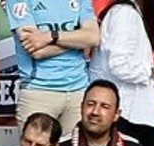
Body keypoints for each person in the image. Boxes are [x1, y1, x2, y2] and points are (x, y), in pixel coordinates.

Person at [90, 0, 154, 146]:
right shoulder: (125, 14)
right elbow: (119, 64)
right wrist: (151, 70)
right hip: (128, 114)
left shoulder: (132, 12)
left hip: (132, 112)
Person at [6, 0, 98, 132]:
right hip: (38, 91)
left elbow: (93, 37)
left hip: (78, 92)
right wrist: (78, 40)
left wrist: (51, 36)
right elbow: (36, 50)